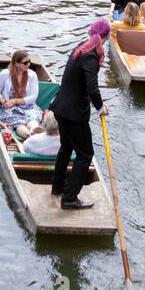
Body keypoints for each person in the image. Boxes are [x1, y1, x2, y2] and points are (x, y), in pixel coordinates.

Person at [51, 20, 110, 210]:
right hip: (74, 114)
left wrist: (98, 104)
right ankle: (69, 198)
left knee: (66, 148)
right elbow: (92, 87)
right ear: (106, 37)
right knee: (85, 155)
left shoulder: (80, 48)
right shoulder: (91, 56)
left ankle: (58, 187)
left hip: (60, 108)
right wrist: (100, 107)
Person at [0, 51, 40, 133]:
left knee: (32, 122)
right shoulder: (5, 74)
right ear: (17, 64)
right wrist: (3, 101)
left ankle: (35, 131)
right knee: (19, 125)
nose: (28, 64)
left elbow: (33, 97)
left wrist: (14, 101)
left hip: (28, 107)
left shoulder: (32, 75)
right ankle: (26, 134)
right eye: (25, 63)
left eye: (29, 61)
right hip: (10, 108)